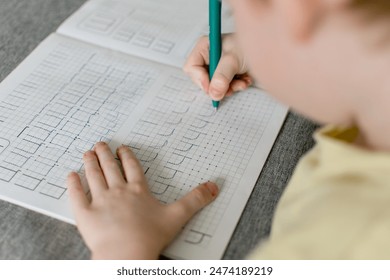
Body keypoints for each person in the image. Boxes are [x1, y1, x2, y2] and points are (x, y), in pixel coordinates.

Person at [67, 0, 390, 259]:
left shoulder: (343, 244)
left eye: (237, 12)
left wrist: (123, 252)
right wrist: (283, 45)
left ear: (301, 9)